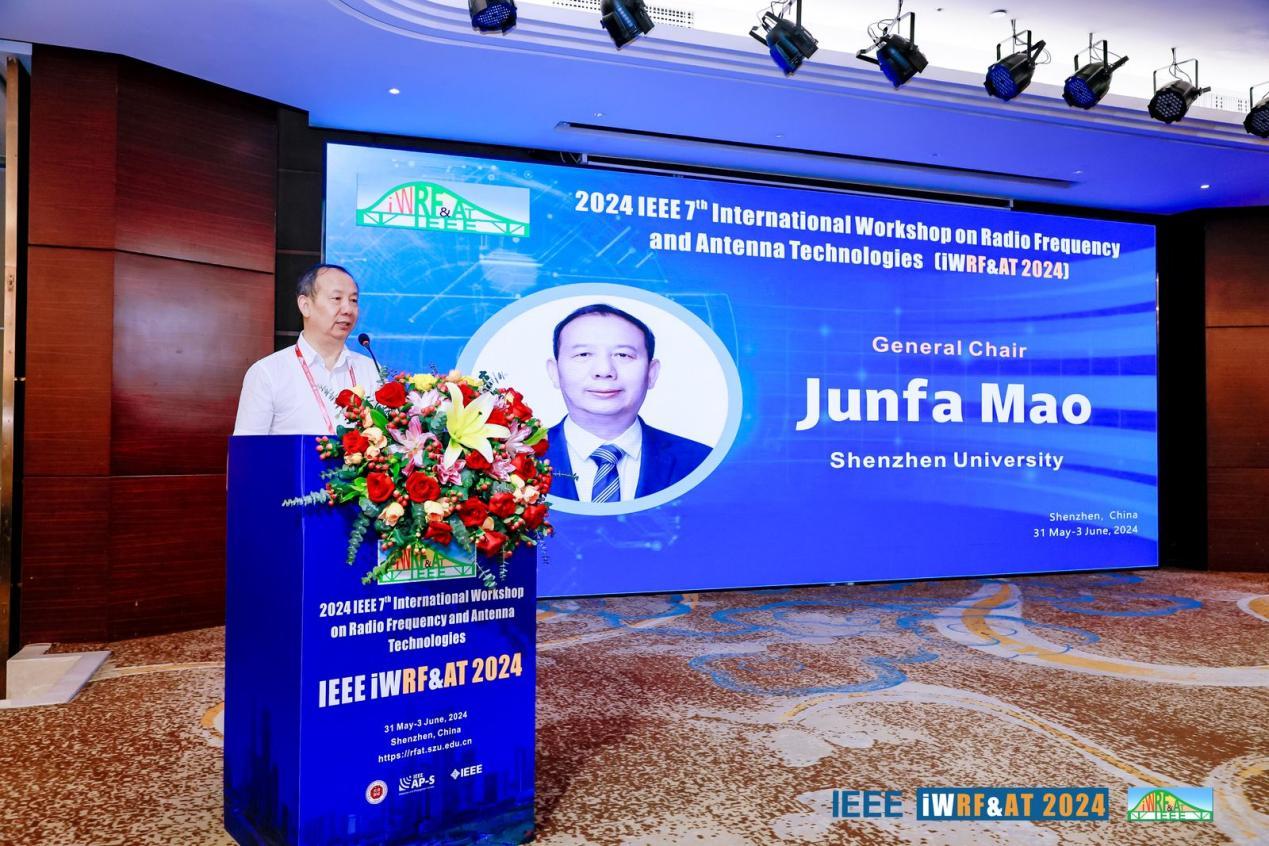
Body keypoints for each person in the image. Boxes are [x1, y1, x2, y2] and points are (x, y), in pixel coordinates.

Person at [543, 303, 710, 502]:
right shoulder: (513, 460)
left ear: (651, 373)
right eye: (583, 354)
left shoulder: (701, 462)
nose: (604, 371)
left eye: (623, 355)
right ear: (554, 372)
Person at [233, 264, 381, 435]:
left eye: (353, 300)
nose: (348, 309)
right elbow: (247, 448)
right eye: (337, 298)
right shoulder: (268, 373)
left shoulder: (372, 370)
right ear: (305, 305)